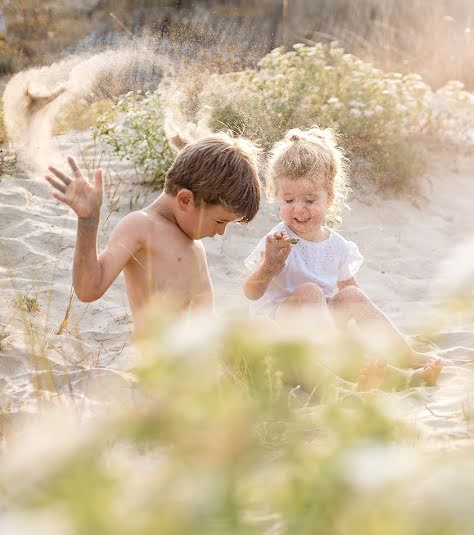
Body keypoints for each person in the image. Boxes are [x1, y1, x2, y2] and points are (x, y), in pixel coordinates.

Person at [243, 127, 442, 388]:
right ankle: (358, 369)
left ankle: (405, 357)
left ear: (330, 198)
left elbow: (353, 297)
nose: (298, 209)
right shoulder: (277, 240)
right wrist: (269, 266)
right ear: (277, 197)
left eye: (310, 200)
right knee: (311, 291)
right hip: (281, 328)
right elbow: (250, 293)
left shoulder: (336, 245)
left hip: (322, 328)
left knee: (352, 296)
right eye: (289, 199)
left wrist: (356, 331)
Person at [45, 133, 263, 334]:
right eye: (219, 221)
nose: (221, 232)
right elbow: (88, 289)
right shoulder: (141, 226)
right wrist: (88, 221)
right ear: (186, 200)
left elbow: (205, 317)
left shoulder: (194, 245)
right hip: (163, 367)